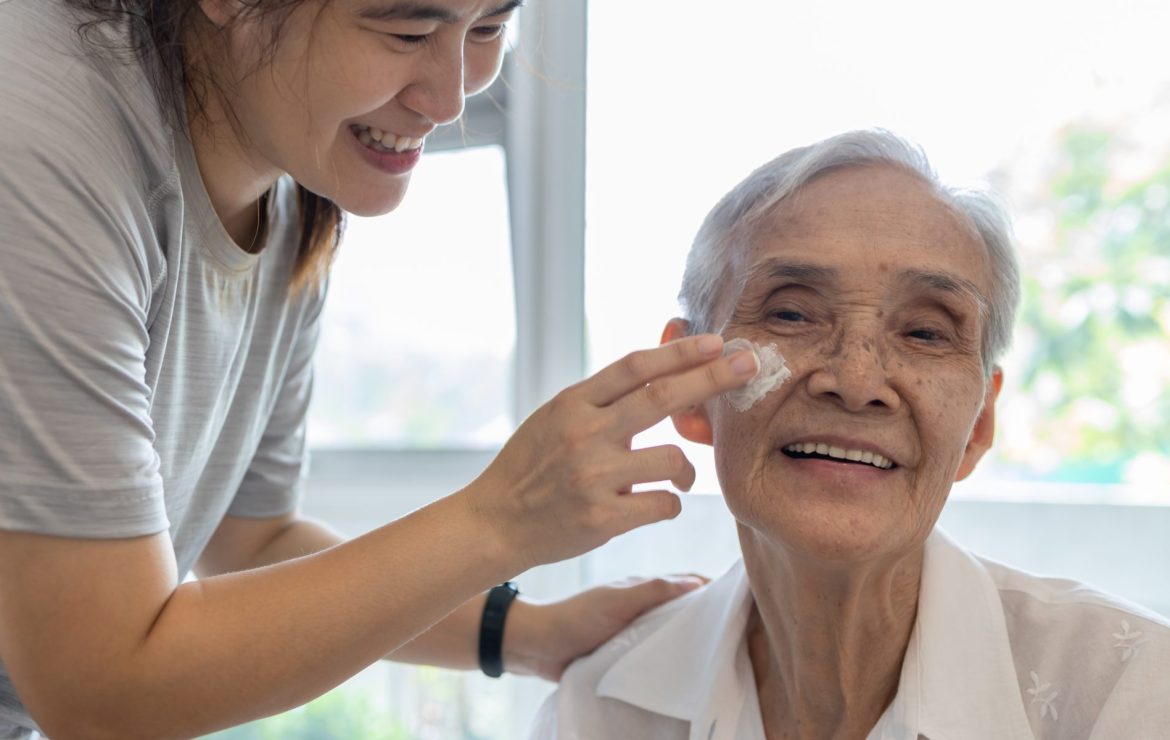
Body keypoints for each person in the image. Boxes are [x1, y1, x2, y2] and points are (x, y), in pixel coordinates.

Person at [0, 1, 765, 737]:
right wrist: (498, 520)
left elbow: (250, 537)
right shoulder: (39, 139)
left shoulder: (290, 189)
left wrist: (527, 632)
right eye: (406, 31)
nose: (449, 98)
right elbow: (101, 694)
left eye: (491, 26)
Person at [532, 129, 1170, 739]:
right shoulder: (599, 710)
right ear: (693, 382)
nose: (857, 379)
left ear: (978, 423)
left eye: (925, 332)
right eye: (791, 312)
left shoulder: (1129, 692)